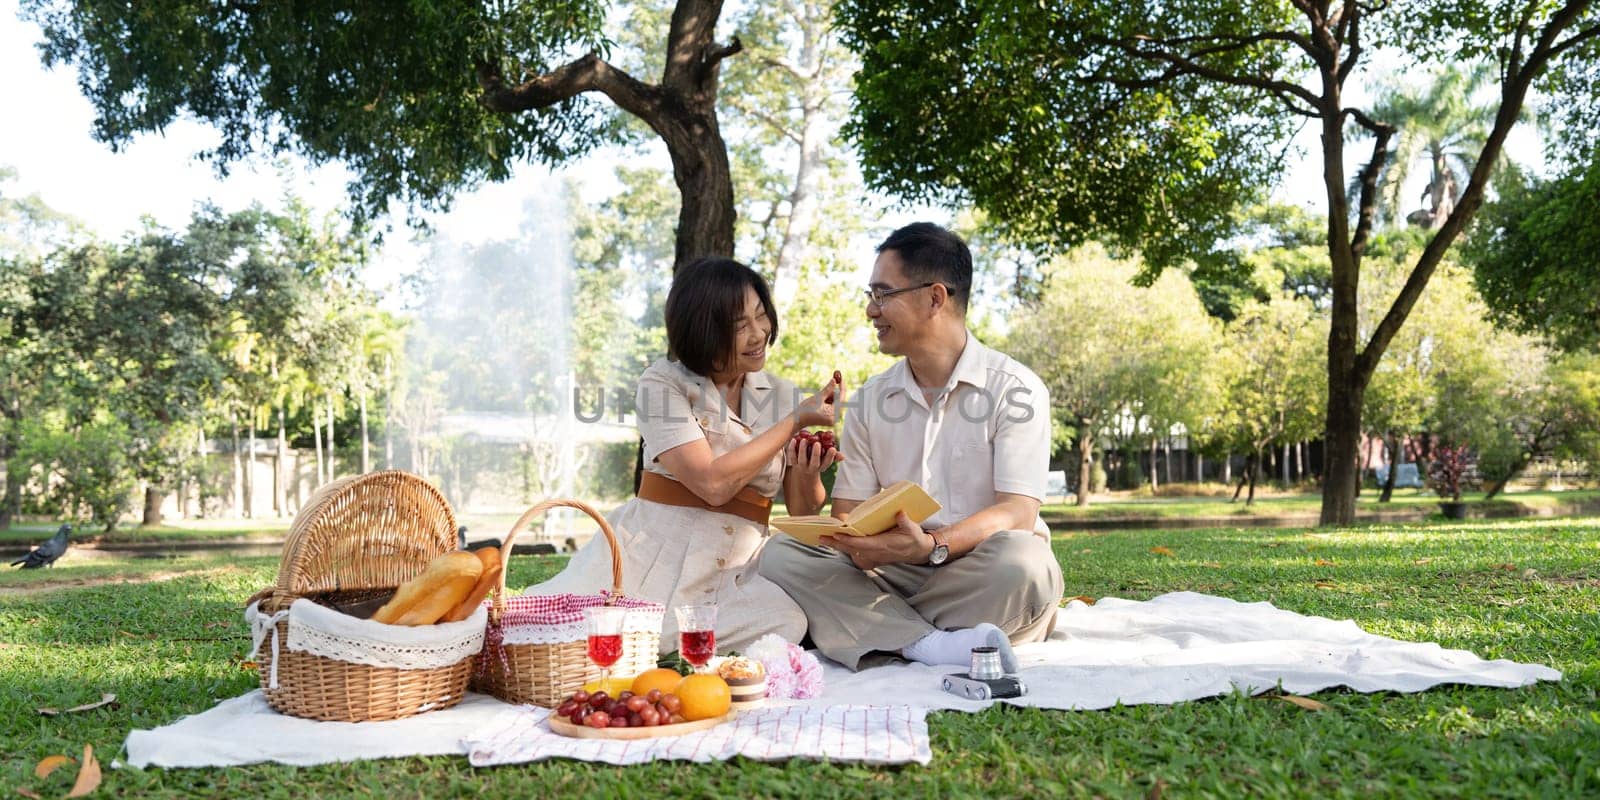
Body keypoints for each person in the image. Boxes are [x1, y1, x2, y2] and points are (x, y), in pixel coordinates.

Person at [759, 222, 1064, 671]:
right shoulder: (871, 400)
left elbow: (1018, 512)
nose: (870, 310)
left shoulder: (1015, 389)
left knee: (1024, 564)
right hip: (891, 571)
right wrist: (858, 539)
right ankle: (929, 642)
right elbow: (846, 518)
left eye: (883, 295)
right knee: (780, 555)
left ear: (935, 297)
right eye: (870, 295)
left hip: (980, 571)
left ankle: (875, 629)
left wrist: (932, 546)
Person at [525, 257, 842, 654]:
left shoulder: (781, 394)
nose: (758, 333)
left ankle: (679, 654)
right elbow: (710, 483)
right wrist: (794, 421)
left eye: (761, 316)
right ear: (704, 330)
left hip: (733, 572)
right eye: (739, 326)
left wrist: (809, 472)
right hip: (654, 557)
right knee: (580, 639)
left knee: (788, 623)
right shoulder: (661, 383)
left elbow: (801, 508)